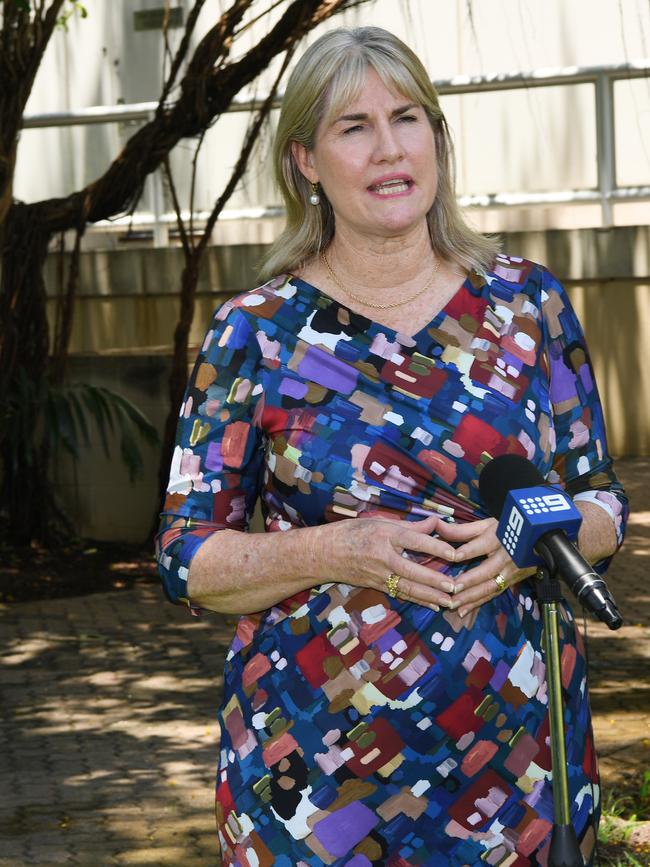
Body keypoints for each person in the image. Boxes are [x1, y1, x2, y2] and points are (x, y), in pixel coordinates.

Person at [156, 26, 628, 867]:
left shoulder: (528, 306)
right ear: (305, 159)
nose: (389, 150)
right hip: (314, 785)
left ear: (436, 137)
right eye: (353, 127)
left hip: (518, 767)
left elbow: (603, 505)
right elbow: (186, 557)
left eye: (407, 118)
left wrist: (529, 544)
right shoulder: (256, 334)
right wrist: (339, 548)